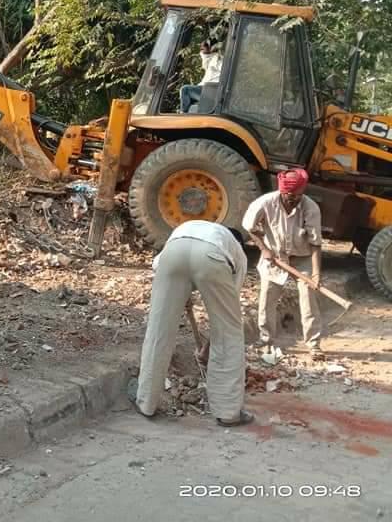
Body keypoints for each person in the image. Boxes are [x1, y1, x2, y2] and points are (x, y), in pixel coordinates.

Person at [134, 220, 253, 426]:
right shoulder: (238, 253)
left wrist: (180, 293)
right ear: (238, 243)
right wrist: (209, 347)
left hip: (173, 251)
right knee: (229, 333)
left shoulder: (197, 227)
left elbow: (158, 267)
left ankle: (146, 402)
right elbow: (224, 319)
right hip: (212, 256)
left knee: (158, 330)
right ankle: (228, 412)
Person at [243, 168, 324, 359]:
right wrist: (264, 249)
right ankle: (266, 339)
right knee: (267, 299)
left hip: (302, 258)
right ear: (282, 191)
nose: (294, 199)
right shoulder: (265, 203)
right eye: (290, 195)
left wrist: (316, 273)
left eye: (298, 195)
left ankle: (314, 345)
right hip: (275, 258)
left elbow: (315, 243)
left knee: (308, 299)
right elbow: (249, 227)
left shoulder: (310, 207)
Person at [180, 41, 223, 113]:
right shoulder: (211, 58)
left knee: (185, 90)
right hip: (206, 88)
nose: (202, 49)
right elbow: (205, 58)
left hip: (210, 90)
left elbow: (223, 68)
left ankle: (183, 114)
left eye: (205, 46)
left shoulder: (218, 58)